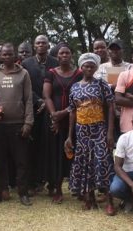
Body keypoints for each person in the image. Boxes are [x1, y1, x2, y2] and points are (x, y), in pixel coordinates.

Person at [64, 53, 116, 214]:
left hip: (99, 129)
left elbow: (111, 108)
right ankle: (89, 198)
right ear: (81, 67)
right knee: (85, 163)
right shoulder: (75, 87)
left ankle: (110, 200)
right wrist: (69, 135)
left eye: (92, 66)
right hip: (81, 130)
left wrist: (109, 132)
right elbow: (72, 112)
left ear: (96, 68)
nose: (89, 68)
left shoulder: (102, 84)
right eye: (86, 66)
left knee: (103, 162)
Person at [0, 43, 34, 206]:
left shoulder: (24, 74)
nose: (7, 57)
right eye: (4, 54)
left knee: (21, 161)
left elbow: (28, 99)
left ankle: (23, 193)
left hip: (18, 124)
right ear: (0, 56)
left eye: (10, 54)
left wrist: (28, 122)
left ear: (15, 56)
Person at [41, 43, 81, 203]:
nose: (64, 56)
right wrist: (54, 116)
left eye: (67, 53)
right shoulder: (51, 73)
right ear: (57, 57)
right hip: (54, 119)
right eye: (61, 53)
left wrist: (63, 113)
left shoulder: (78, 74)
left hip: (74, 117)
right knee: (55, 153)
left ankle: (76, 186)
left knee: (73, 153)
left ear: (71, 55)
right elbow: (46, 95)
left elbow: (79, 98)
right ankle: (56, 188)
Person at [21, 35, 59, 195]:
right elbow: (25, 86)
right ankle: (33, 183)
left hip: (51, 111)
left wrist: (47, 103)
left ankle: (52, 183)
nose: (41, 45)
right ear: (34, 46)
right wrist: (39, 101)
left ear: (48, 45)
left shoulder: (55, 63)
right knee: (32, 146)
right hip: (33, 110)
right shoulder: (26, 64)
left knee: (50, 147)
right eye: (38, 43)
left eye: (44, 43)